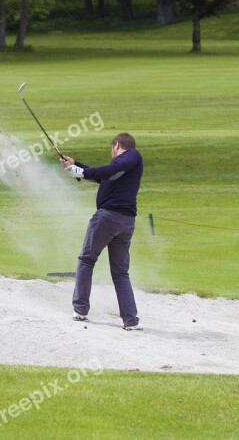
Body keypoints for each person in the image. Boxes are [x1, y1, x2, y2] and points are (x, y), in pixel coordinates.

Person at [60, 133, 143, 330]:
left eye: (112, 149)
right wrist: (76, 165)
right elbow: (105, 175)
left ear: (117, 145)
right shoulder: (122, 169)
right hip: (125, 223)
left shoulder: (132, 156)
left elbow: (108, 170)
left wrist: (79, 172)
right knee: (121, 272)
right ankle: (130, 321)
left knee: (86, 260)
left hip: (108, 218)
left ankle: (80, 309)